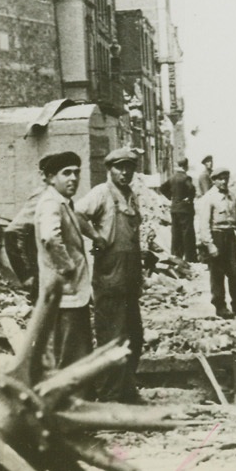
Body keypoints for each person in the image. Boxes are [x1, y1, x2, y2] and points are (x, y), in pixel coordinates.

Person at [78, 147, 146, 403]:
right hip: (110, 275)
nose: (125, 172)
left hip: (129, 277)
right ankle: (109, 395)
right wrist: (96, 236)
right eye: (120, 167)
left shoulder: (130, 195)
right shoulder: (102, 193)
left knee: (134, 335)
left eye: (129, 167)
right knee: (111, 337)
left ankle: (127, 388)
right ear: (110, 169)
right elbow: (77, 214)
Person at [33, 151, 94, 370]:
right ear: (51, 178)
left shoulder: (63, 202)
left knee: (75, 349)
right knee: (71, 352)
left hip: (70, 292)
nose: (73, 178)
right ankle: (73, 400)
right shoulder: (51, 203)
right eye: (66, 173)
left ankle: (81, 397)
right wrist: (66, 266)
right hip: (66, 292)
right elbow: (50, 237)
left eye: (77, 173)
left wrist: (95, 236)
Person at [196, 165, 236, 318]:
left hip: (230, 236)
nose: (224, 181)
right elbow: (204, 224)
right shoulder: (209, 198)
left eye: (226, 178)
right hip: (216, 236)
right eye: (220, 179)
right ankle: (220, 306)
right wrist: (210, 244)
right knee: (217, 274)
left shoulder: (232, 197)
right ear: (213, 181)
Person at [4, 179, 44, 304]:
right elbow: (12, 233)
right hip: (44, 277)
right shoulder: (44, 197)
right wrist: (25, 274)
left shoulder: (64, 200)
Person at [160, 157, 197, 262]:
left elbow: (162, 188)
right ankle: (190, 257)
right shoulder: (186, 178)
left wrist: (171, 198)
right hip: (185, 209)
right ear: (186, 166)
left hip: (174, 209)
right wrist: (188, 199)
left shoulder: (172, 178)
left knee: (176, 233)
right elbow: (192, 189)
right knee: (187, 233)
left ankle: (176, 256)